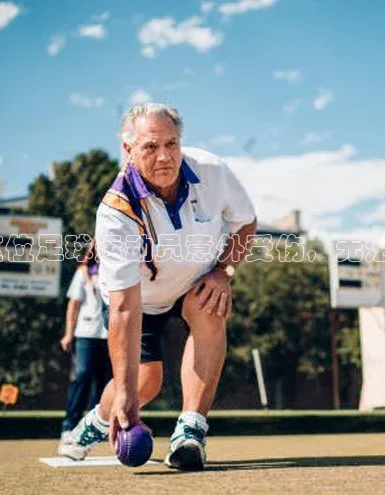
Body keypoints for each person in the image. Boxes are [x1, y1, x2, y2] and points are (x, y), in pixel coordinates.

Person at [59, 102, 257, 471]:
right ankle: (94, 423)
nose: (165, 156)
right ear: (128, 150)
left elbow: (246, 223)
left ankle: (190, 431)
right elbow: (124, 308)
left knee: (210, 304)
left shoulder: (212, 171)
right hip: (140, 298)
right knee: (145, 381)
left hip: (194, 280)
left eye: (172, 144)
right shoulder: (116, 213)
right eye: (151, 147)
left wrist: (223, 270)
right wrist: (128, 396)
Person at [57, 240, 111, 454]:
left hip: (109, 334)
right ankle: (68, 427)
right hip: (86, 333)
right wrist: (69, 333)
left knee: (103, 382)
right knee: (83, 375)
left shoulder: (115, 270)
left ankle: (96, 428)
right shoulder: (82, 273)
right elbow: (74, 305)